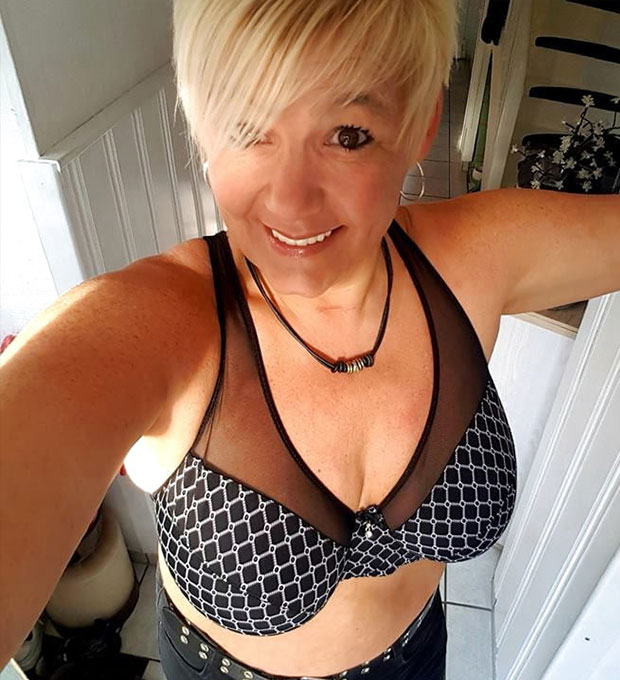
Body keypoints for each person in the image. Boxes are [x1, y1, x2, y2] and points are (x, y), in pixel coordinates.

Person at [1, 1, 619, 678]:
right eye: (247, 129)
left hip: (418, 655)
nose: (291, 203)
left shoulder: (474, 258)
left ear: (421, 125)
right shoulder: (154, 325)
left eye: (348, 135)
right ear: (202, 127)